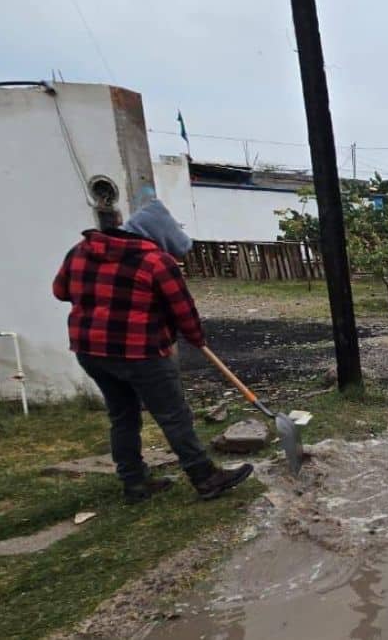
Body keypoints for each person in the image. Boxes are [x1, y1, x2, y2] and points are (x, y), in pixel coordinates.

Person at [53, 200, 253, 504]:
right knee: (174, 415)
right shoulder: (156, 262)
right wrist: (196, 338)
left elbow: (60, 291)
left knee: (122, 416)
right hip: (140, 352)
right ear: (159, 238)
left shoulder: (80, 251)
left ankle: (134, 483)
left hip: (91, 350)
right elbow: (183, 310)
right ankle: (205, 478)